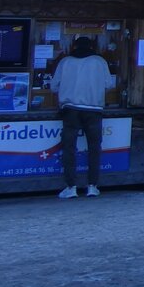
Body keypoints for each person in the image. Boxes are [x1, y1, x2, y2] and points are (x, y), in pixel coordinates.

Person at [49, 36, 115, 199]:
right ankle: (92, 186)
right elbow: (109, 84)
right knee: (94, 147)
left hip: (70, 110)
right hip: (94, 110)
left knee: (69, 148)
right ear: (92, 47)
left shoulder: (65, 62)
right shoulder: (100, 61)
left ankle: (71, 187)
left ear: (74, 46)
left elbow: (53, 86)